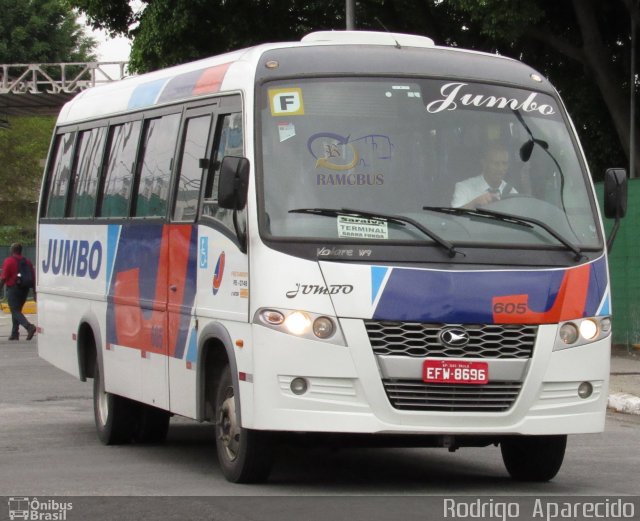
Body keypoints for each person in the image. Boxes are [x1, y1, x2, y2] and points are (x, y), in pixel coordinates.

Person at [451, 143, 516, 209]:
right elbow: (454, 216)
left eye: (504, 163)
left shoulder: (512, 193)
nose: (501, 168)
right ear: (484, 164)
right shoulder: (464, 188)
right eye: (496, 164)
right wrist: (474, 204)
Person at [0, 243, 37, 341]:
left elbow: (3, 277)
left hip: (14, 288)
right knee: (16, 310)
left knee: (14, 310)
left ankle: (29, 327)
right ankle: (14, 333)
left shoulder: (9, 261)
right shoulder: (27, 262)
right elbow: (33, 277)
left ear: (12, 250)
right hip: (25, 289)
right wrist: (34, 292)